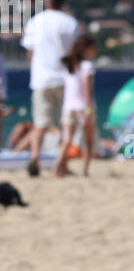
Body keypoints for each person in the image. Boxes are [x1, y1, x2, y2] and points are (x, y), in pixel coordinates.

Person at [20, 0, 80, 176]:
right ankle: (61, 164)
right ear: (64, 0)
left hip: (41, 79)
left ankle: (35, 158)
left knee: (40, 124)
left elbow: (30, 52)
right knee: (66, 124)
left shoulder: (36, 21)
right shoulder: (70, 23)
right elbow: (75, 54)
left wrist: (35, 69)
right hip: (65, 79)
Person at [55, 34, 97, 178]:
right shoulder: (87, 66)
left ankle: (57, 169)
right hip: (83, 107)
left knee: (67, 140)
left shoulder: (68, 66)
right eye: (93, 47)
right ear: (86, 49)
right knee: (88, 141)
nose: (95, 50)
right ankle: (84, 171)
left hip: (68, 107)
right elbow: (87, 89)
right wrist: (88, 109)